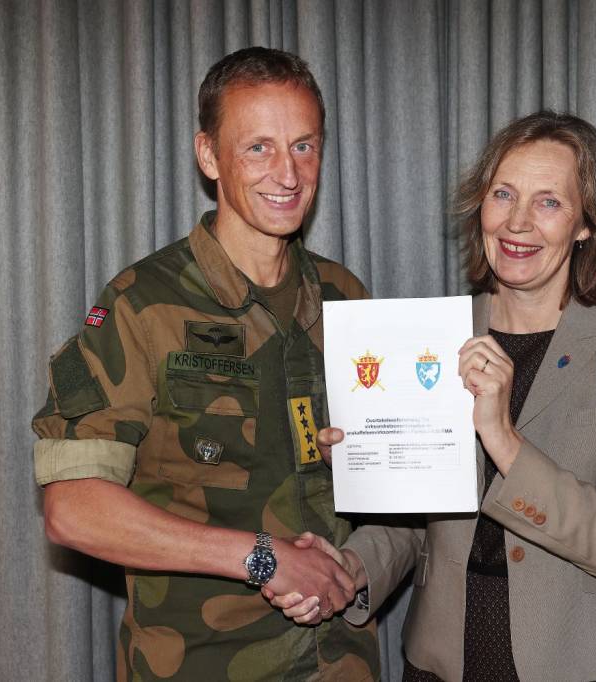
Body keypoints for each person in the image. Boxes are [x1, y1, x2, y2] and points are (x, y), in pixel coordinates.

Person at [270, 111, 596, 681]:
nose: (517, 222)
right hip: (446, 658)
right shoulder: (431, 337)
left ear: (587, 224)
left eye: (548, 202)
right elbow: (419, 524)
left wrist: (503, 439)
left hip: (588, 663)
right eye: (503, 194)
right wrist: (349, 564)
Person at [31, 47, 380, 681]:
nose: (288, 174)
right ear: (209, 156)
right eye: (258, 148)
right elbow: (73, 507)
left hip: (340, 662)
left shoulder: (345, 298)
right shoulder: (143, 305)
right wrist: (263, 558)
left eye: (303, 146)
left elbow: (400, 493)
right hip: (198, 664)